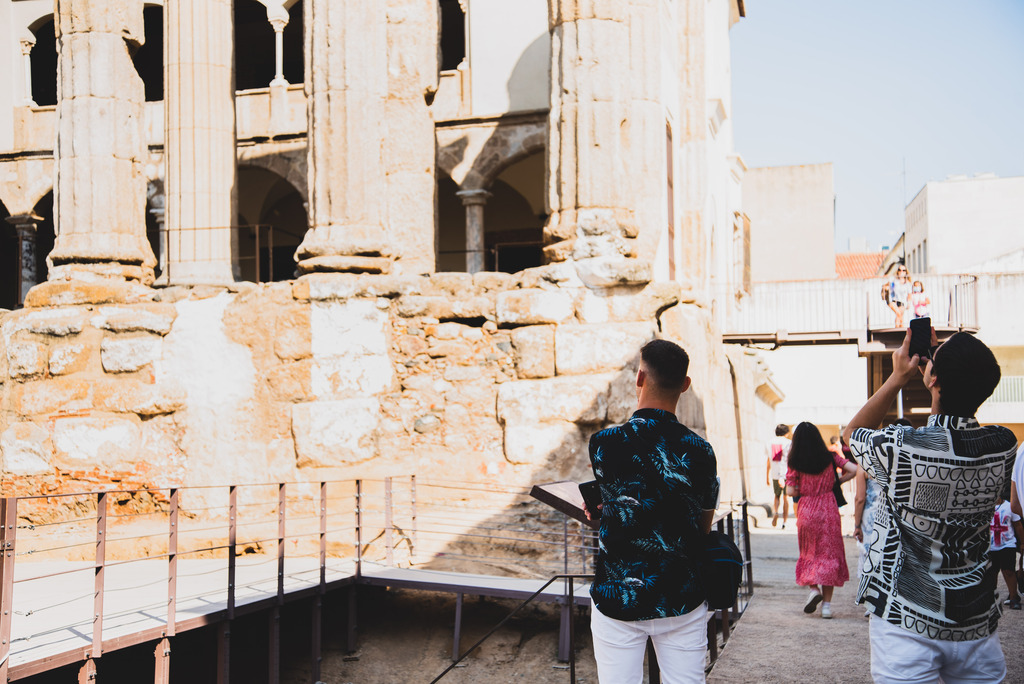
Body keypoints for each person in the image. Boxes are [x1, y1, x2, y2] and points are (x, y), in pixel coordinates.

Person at [843, 329, 1018, 683]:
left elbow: (853, 434)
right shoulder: (1003, 444)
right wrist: (945, 359)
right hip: (976, 623)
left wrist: (898, 376)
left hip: (905, 619)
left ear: (933, 378)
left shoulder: (902, 447)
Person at [586, 339, 719, 683]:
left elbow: (616, 502)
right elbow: (703, 526)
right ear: (686, 385)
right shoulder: (701, 451)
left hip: (618, 596)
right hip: (681, 596)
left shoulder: (604, 442)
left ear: (639, 377)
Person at [785, 422, 858, 619]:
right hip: (828, 508)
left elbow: (791, 490)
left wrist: (802, 488)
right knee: (829, 555)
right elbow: (854, 469)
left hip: (807, 509)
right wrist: (836, 482)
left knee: (809, 552)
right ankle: (826, 606)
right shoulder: (830, 457)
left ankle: (813, 589)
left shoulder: (795, 462)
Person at [853, 419, 910, 619]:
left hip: (872, 516)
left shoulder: (867, 464)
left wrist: (857, 524)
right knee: (896, 553)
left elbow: (860, 498)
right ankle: (896, 599)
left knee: (872, 555)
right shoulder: (909, 462)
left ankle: (872, 603)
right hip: (900, 515)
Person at [990, 483, 1021, 610]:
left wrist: (1022, 543)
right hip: (990, 546)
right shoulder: (986, 508)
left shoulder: (1009, 506)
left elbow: (1018, 525)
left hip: (1007, 544)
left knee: (1008, 571)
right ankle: (990, 598)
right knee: (991, 573)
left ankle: (1013, 597)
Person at [766, 424, 791, 528]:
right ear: (786, 433)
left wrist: (766, 476)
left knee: (776, 496)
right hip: (786, 473)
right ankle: (784, 522)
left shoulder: (769, 442)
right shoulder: (788, 443)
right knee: (786, 498)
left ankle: (776, 511)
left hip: (774, 473)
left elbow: (768, 460)